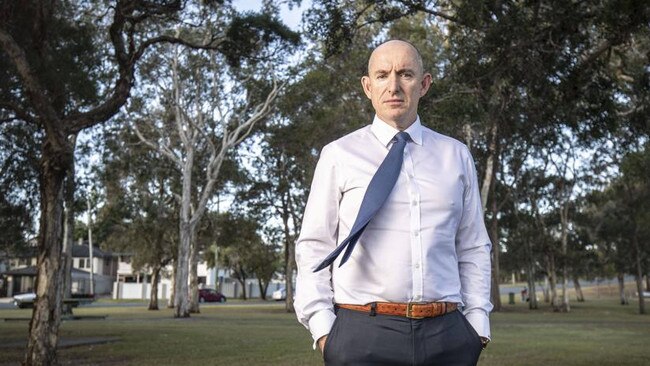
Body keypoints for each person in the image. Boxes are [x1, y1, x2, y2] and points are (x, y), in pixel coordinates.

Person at [294, 39, 493, 366]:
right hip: (362, 334)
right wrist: (324, 330)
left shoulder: (455, 155)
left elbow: (472, 245)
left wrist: (476, 326)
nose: (394, 86)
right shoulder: (338, 155)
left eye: (406, 74)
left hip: (448, 335)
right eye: (383, 75)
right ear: (368, 86)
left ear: (424, 84)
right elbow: (314, 245)